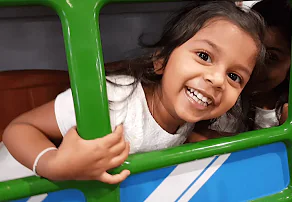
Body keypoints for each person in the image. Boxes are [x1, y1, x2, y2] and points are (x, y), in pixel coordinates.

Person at [1, 1, 265, 185]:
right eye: (204, 56)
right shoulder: (114, 99)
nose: (217, 79)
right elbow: (19, 129)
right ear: (161, 60)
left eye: (234, 76)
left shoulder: (189, 117)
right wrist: (54, 164)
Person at [187, 0, 292, 192]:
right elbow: (191, 136)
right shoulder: (221, 93)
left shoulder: (290, 111)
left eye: (271, 58)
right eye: (253, 55)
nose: (256, 68)